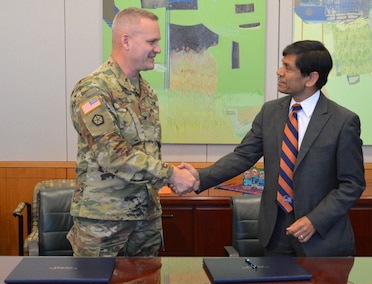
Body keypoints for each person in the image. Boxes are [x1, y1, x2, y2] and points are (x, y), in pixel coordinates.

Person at [176, 40, 366, 257]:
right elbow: (243, 156)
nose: (279, 72)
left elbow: (352, 184)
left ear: (311, 78)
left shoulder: (343, 121)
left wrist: (315, 220)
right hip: (275, 236)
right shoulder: (270, 112)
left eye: (287, 67)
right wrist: (200, 177)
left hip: (322, 240)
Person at [67, 7, 196, 257]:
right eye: (152, 41)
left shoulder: (146, 92)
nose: (158, 49)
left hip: (145, 220)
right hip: (104, 224)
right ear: (125, 40)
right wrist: (171, 175)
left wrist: (172, 176)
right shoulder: (93, 90)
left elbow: (145, 152)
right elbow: (111, 154)